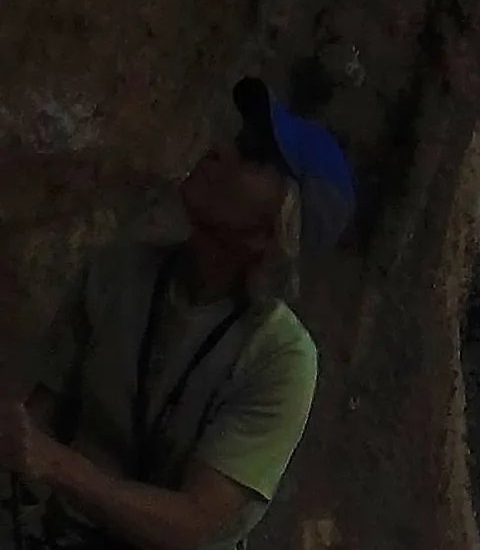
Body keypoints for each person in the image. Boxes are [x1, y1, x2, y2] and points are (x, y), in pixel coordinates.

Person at [9, 79, 353, 550]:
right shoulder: (121, 270)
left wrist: (56, 466)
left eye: (251, 156)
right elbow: (37, 422)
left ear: (274, 233)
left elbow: (193, 525)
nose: (218, 151)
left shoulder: (281, 360)